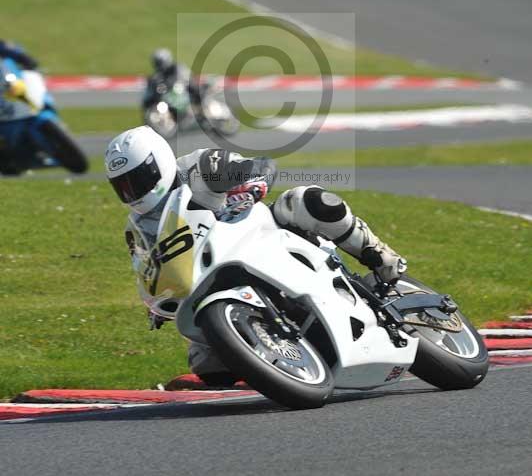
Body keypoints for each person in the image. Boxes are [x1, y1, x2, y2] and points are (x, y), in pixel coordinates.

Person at [105, 126, 407, 382]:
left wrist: (251, 187)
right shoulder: (137, 228)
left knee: (306, 200)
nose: (133, 191)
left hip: (259, 236)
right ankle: (277, 358)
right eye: (123, 186)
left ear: (159, 162)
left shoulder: (199, 166)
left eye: (139, 179)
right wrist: (156, 304)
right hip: (209, 278)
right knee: (209, 368)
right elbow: (146, 266)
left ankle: (379, 254)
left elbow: (261, 165)